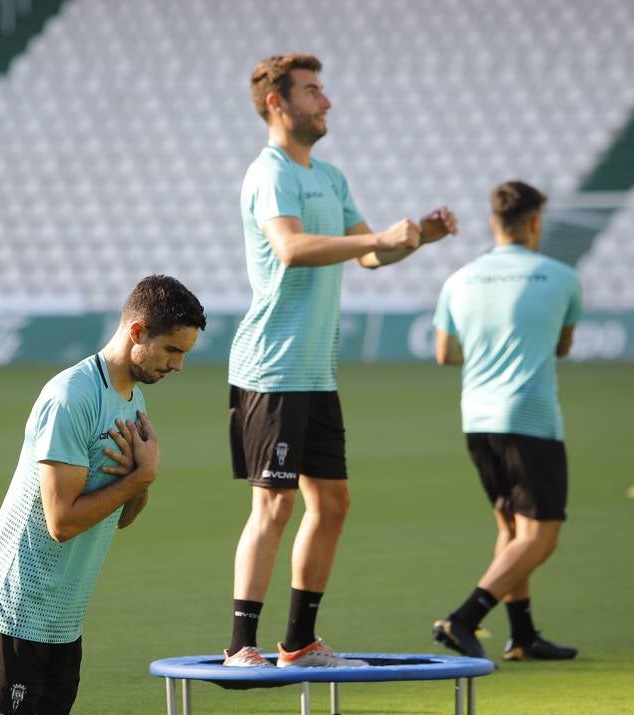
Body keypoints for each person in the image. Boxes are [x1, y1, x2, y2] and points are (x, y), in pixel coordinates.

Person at [224, 54, 458, 668]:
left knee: (332, 503)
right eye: (311, 92)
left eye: (322, 91)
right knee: (273, 505)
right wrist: (377, 238)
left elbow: (368, 257)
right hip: (271, 367)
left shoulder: (329, 175)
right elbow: (292, 248)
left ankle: (298, 644)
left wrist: (414, 240)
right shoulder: (270, 172)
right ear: (278, 104)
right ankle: (239, 645)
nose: (325, 102)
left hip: (314, 372)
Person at [0, 274, 205, 715]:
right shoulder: (72, 396)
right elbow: (60, 522)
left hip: (64, 615)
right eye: (172, 350)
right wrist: (143, 475)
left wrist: (141, 482)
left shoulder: (134, 399)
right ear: (136, 332)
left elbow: (124, 516)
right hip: (16, 604)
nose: (178, 365)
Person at [429, 180, 581, 661]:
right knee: (541, 535)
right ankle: (464, 618)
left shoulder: (460, 279)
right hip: (530, 418)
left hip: (477, 417)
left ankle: (523, 636)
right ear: (535, 222)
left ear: (493, 222)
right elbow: (561, 346)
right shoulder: (561, 277)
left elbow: (444, 354)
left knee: (512, 531)